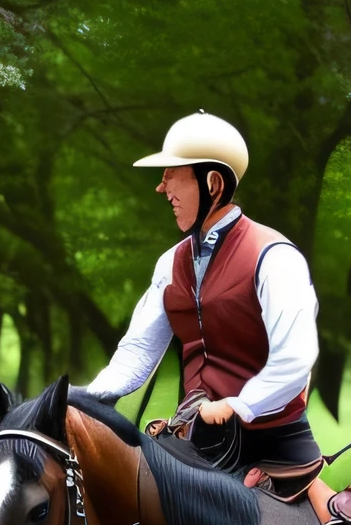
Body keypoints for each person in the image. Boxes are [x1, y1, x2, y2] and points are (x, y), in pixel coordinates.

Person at [87, 112, 322, 478]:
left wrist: (240, 404)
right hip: (197, 443)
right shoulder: (170, 262)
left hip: (272, 448)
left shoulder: (275, 257)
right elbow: (137, 352)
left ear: (212, 183)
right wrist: (82, 398)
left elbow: (294, 359)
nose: (162, 188)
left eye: (171, 175)